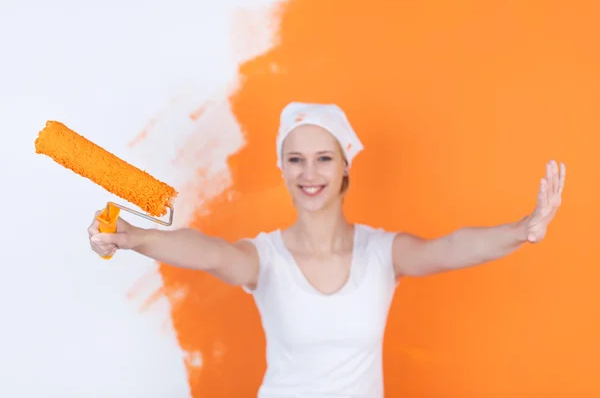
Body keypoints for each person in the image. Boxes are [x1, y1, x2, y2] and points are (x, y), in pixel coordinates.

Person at [88, 102, 566, 398]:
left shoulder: (384, 254)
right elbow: (209, 252)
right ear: (282, 169)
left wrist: (523, 229)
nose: (309, 173)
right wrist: (135, 237)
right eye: (295, 160)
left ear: (344, 167)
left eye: (323, 159)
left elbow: (451, 248)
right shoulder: (264, 259)